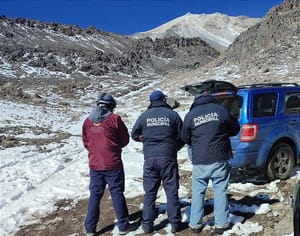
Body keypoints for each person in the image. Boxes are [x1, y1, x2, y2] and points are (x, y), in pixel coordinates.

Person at [181, 86, 240, 234]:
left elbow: (184, 137)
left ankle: (195, 224)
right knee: (220, 190)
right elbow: (234, 129)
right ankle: (221, 224)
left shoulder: (191, 114)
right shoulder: (220, 110)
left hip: (200, 159)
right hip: (219, 157)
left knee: (198, 191)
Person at [131, 90, 185, 234]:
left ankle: (147, 225)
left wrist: (145, 140)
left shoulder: (144, 116)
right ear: (163, 100)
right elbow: (184, 135)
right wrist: (174, 148)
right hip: (168, 158)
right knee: (171, 191)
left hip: (150, 159)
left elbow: (134, 134)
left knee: (150, 192)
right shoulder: (173, 115)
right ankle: (175, 223)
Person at [82, 93, 134, 236]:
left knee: (95, 195)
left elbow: (86, 142)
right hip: (113, 163)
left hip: (95, 165)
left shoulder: (87, 121)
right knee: (117, 193)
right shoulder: (114, 119)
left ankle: (90, 228)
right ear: (111, 106)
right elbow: (124, 140)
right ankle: (123, 226)